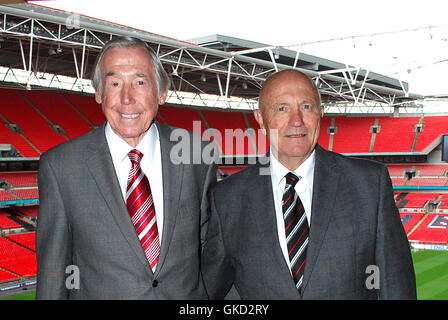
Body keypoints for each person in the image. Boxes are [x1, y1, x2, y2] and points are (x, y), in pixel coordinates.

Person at [201, 69, 416, 299]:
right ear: (260, 119)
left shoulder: (370, 185)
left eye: (306, 107)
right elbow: (208, 292)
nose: (296, 121)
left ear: (321, 113)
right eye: (282, 108)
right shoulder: (227, 198)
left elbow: (396, 286)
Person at [36, 36, 217, 299]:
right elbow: (54, 273)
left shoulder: (197, 154)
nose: (127, 98)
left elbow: (211, 250)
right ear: (99, 93)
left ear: (161, 92)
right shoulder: (61, 166)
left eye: (140, 82)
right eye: (114, 83)